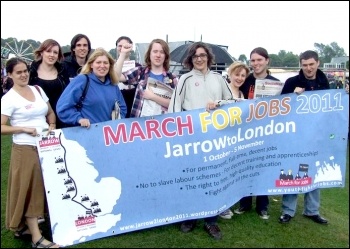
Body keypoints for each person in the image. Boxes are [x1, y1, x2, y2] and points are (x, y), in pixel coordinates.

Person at [168, 42, 233, 240]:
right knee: (192, 177)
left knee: (212, 177)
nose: (199, 58)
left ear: (208, 57)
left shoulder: (219, 79)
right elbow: (174, 108)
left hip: (214, 136)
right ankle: (190, 217)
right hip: (191, 136)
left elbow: (232, 102)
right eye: (195, 55)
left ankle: (211, 220)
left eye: (202, 55)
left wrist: (219, 104)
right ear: (190, 59)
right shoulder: (185, 79)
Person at [1, 57, 60, 248]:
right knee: (30, 189)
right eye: (18, 72)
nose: (23, 74)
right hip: (25, 148)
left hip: (46, 146)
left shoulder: (37, 89)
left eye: (25, 70)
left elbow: (50, 112)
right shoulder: (9, 98)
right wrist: (22, 129)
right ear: (9, 75)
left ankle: (25, 227)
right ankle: (37, 237)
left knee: (44, 187)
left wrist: (51, 124)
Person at [279, 50, 329, 225]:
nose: (308, 68)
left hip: (316, 136)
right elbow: (280, 107)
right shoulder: (292, 82)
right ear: (301, 64)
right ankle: (288, 210)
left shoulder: (324, 82)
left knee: (314, 171)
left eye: (311, 64)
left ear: (318, 63)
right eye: (305, 65)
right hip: (295, 135)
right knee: (293, 171)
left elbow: (329, 108)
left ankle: (312, 210)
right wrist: (293, 96)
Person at [235, 47, 281, 220]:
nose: (256, 64)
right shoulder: (245, 81)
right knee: (246, 167)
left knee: (263, 169)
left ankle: (263, 206)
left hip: (266, 132)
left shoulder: (276, 83)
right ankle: (245, 203)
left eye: (259, 60)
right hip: (246, 132)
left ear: (267, 61)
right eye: (252, 60)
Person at [57, 48, 127, 128]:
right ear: (91, 65)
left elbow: (122, 107)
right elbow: (63, 108)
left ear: (110, 65)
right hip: (86, 133)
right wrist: (79, 119)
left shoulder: (113, 85)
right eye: (98, 62)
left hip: (108, 134)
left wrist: (116, 121)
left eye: (105, 63)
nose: (102, 66)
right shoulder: (82, 80)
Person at [114, 38, 178, 118]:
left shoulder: (173, 79)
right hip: (140, 125)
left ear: (166, 56)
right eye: (155, 51)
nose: (158, 55)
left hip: (163, 125)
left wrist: (153, 97)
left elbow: (175, 104)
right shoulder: (140, 72)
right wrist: (123, 54)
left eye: (162, 52)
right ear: (149, 54)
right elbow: (116, 77)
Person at [28, 39, 70, 129]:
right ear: (41, 52)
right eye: (48, 51)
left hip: (61, 120)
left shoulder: (63, 73)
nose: (52, 55)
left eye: (55, 52)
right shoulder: (31, 73)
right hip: (37, 120)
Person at [115, 36, 141, 118]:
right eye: (120, 46)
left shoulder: (138, 68)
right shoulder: (110, 67)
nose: (122, 48)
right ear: (116, 48)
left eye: (125, 45)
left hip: (133, 103)